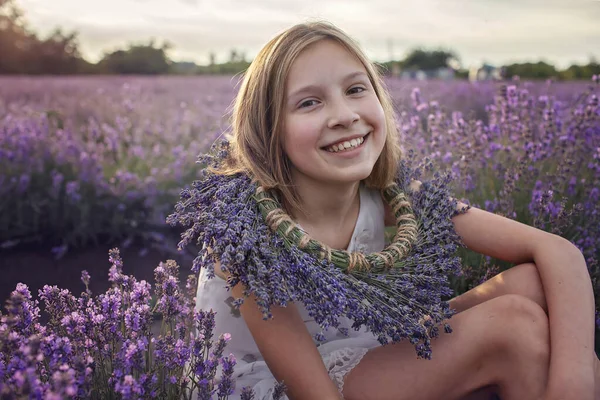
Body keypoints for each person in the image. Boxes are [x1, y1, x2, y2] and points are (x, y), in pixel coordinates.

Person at [193, 21, 598, 400]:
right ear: (267, 128)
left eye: (355, 89)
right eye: (310, 103)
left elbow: (558, 251)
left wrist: (573, 378)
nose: (345, 116)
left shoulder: (387, 193)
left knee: (536, 285)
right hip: (277, 386)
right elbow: (312, 392)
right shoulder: (245, 232)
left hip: (362, 351)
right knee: (514, 326)